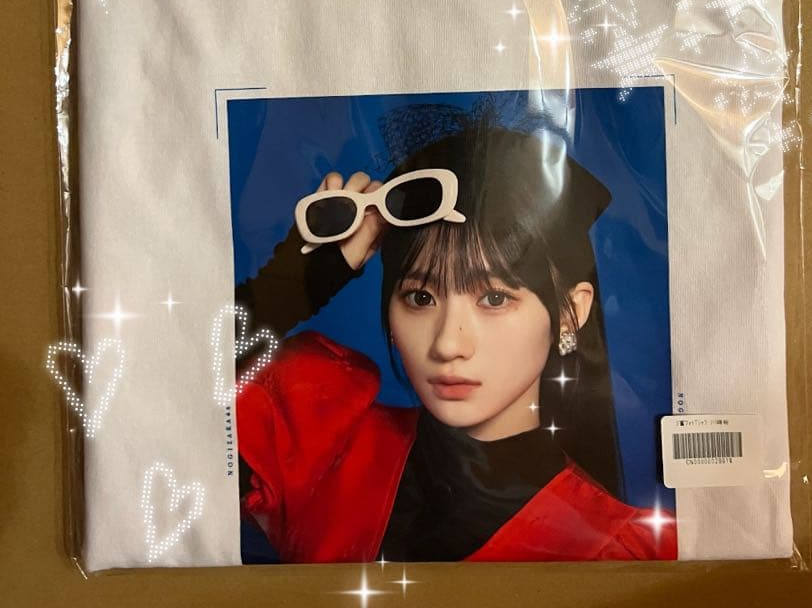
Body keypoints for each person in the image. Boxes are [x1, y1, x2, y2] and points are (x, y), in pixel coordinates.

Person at [234, 109, 677, 563]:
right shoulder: (323, 444)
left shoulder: (621, 552)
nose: (448, 344)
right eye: (421, 298)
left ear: (571, 313)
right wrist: (298, 278)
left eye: (494, 298)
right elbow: (190, 394)